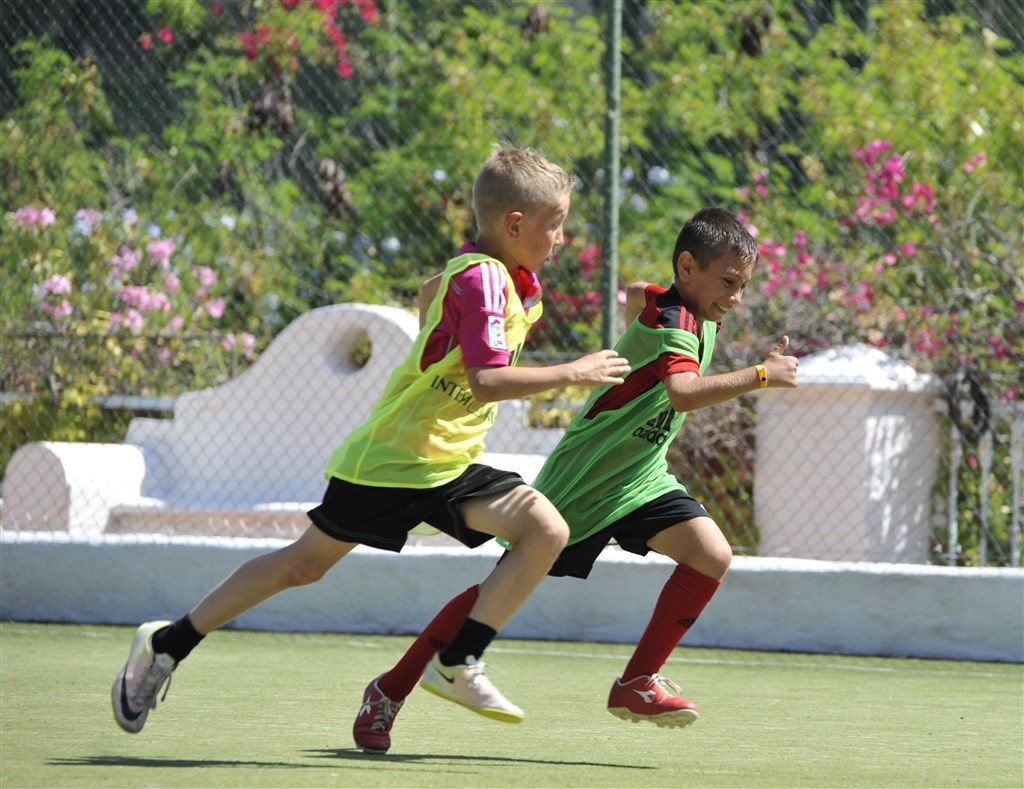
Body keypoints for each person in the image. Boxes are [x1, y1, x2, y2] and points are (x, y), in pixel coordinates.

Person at [111, 144, 631, 736]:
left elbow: (429, 294)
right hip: (391, 460)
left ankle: (458, 659)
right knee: (302, 567)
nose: (562, 237)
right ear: (515, 225)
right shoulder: (486, 279)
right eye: (555, 224)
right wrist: (575, 371)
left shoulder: (498, 275)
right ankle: (167, 642)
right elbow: (486, 381)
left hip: (448, 465)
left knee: (546, 530)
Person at [353, 207, 800, 753]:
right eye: (728, 283)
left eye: (743, 286)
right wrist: (761, 375)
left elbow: (638, 293)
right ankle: (389, 689)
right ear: (688, 267)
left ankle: (636, 683)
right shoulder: (678, 321)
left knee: (711, 554)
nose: (735, 297)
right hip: (586, 476)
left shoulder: (685, 307)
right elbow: (684, 394)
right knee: (497, 592)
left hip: (640, 476)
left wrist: (642, 300)